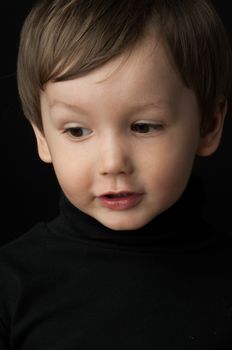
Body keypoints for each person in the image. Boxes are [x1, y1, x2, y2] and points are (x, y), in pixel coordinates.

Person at [1, 0, 232, 348]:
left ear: (209, 126)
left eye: (143, 126)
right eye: (77, 131)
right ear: (42, 137)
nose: (112, 163)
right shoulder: (11, 282)